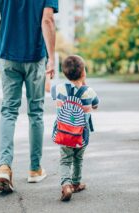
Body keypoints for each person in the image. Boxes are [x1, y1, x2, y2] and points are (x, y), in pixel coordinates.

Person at [0, 0, 58, 193]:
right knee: (35, 113)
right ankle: (35, 170)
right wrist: (52, 58)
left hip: (8, 56)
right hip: (35, 57)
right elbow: (48, 20)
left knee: (9, 111)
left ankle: (4, 167)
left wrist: (8, 27)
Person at [45, 55, 99, 201]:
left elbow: (47, 88)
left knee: (65, 160)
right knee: (78, 159)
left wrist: (48, 75)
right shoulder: (89, 92)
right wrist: (84, 84)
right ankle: (76, 183)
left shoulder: (60, 89)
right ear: (83, 73)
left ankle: (66, 185)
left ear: (65, 73)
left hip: (64, 133)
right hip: (81, 134)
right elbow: (95, 105)